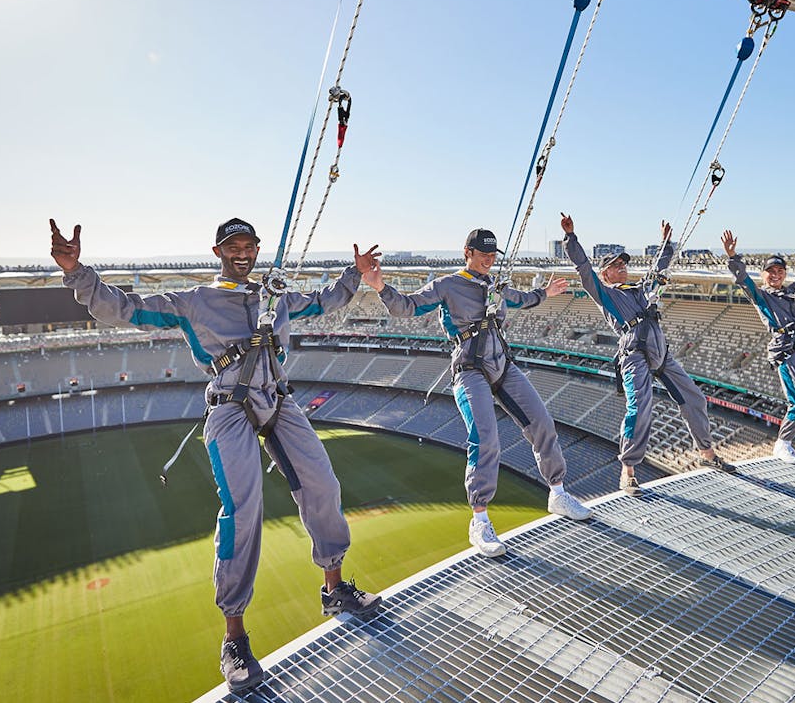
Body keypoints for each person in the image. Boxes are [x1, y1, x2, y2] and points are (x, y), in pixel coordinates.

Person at [50, 217, 383, 693]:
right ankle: (234, 636)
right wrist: (76, 271)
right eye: (234, 246)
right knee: (244, 511)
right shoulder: (194, 301)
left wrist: (354, 274)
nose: (242, 252)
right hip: (229, 407)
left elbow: (325, 299)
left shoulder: (274, 296)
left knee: (323, 485)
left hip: (279, 400)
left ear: (256, 250)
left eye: (249, 245)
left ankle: (334, 589)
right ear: (218, 251)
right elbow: (123, 308)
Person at [358, 228, 592, 557]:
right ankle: (479, 521)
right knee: (485, 436)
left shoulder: (496, 286)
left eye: (493, 255)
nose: (489, 260)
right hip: (469, 368)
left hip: (503, 365)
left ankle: (557, 493)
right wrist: (380, 286)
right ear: (467, 252)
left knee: (542, 423)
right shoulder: (447, 285)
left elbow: (521, 300)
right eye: (483, 254)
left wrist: (545, 292)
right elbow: (408, 307)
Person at [560, 214, 735, 495]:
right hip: (634, 353)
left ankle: (707, 452)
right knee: (639, 408)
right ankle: (627, 470)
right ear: (605, 274)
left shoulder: (642, 290)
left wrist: (665, 244)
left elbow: (659, 267)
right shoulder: (606, 294)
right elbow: (584, 269)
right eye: (615, 266)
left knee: (695, 398)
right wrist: (571, 238)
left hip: (660, 350)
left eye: (623, 264)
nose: (622, 268)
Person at [720, 228, 795, 464]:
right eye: (770, 271)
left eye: (780, 271)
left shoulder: (794, 292)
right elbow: (742, 280)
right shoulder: (762, 296)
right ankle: (783, 443)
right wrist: (733, 257)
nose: (775, 275)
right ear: (763, 275)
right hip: (785, 348)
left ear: (784, 274)